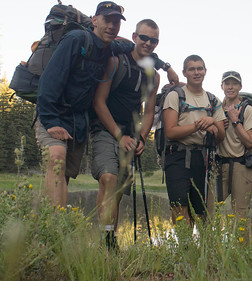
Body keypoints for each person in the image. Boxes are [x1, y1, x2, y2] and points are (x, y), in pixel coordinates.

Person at [35, 1, 128, 207]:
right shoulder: (76, 39)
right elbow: (49, 81)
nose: (112, 26)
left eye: (116, 22)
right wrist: (50, 122)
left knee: (65, 175)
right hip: (53, 114)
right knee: (56, 158)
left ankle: (48, 227)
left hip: (77, 123)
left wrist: (163, 65)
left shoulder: (109, 47)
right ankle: (56, 227)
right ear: (94, 20)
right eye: (107, 20)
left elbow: (131, 46)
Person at [91, 19, 163, 249]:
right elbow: (99, 102)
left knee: (118, 190)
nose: (148, 43)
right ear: (134, 37)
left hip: (132, 136)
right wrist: (118, 135)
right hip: (105, 129)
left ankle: (108, 239)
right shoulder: (115, 62)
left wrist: (142, 137)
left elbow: (150, 111)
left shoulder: (153, 75)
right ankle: (106, 239)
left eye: (154, 40)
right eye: (144, 37)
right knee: (108, 178)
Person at [162, 55, 226, 227]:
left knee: (200, 209)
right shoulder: (176, 96)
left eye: (200, 68)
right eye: (192, 69)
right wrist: (198, 125)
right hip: (177, 156)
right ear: (184, 72)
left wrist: (213, 122)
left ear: (205, 71)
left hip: (202, 158)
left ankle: (199, 250)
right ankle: (185, 247)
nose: (196, 72)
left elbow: (221, 137)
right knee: (179, 204)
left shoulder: (213, 100)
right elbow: (170, 132)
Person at [207, 71, 252, 219]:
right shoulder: (216, 110)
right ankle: (211, 242)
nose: (230, 87)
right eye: (227, 83)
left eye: (234, 83)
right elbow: (212, 141)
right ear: (221, 86)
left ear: (240, 86)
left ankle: (241, 243)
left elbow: (250, 142)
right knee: (209, 211)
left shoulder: (247, 110)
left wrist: (235, 121)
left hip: (241, 166)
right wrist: (218, 127)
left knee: (240, 216)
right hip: (219, 166)